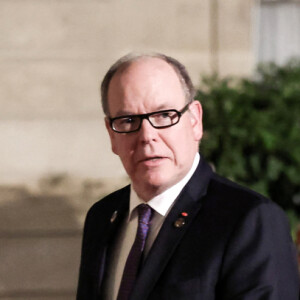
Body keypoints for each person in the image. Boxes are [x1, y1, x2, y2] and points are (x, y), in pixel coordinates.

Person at [76, 53, 299, 300]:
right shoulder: (101, 216)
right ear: (111, 134)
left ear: (195, 120)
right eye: (128, 120)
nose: (147, 136)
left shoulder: (250, 219)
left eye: (163, 115)